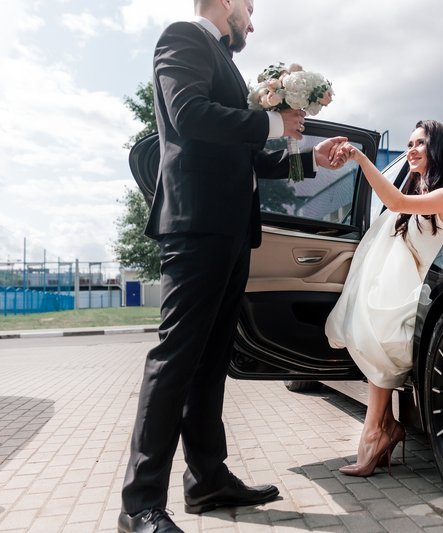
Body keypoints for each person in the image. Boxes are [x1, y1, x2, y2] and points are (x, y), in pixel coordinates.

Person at [118, 1, 346, 532]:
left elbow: (254, 156)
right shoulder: (182, 37)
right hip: (195, 225)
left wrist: (311, 155)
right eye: (248, 8)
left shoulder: (227, 63)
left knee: (211, 358)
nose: (251, 21)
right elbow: (188, 115)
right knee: (175, 359)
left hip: (229, 229)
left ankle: (207, 480)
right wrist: (270, 119)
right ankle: (139, 505)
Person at [325, 120, 443, 477]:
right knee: (369, 324)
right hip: (412, 291)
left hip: (433, 294)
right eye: (410, 143)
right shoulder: (416, 195)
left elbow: (397, 201)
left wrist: (359, 157)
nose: (412, 149)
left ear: (440, 149)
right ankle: (380, 428)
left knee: (383, 332)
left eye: (422, 143)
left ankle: (378, 431)